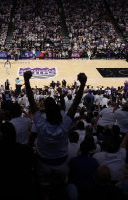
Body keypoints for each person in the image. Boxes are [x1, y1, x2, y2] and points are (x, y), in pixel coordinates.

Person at [24, 70, 87, 198]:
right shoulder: (65, 123)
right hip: (62, 163)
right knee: (61, 188)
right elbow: (75, 103)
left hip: (43, 162)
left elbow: (31, 101)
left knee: (44, 188)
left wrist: (26, 81)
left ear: (45, 112)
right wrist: (82, 84)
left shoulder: (40, 124)